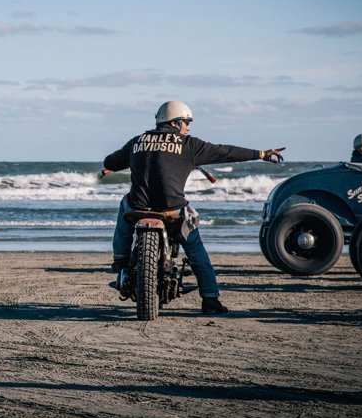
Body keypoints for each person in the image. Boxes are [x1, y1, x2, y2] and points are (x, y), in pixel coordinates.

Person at [103, 100, 284, 315]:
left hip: (139, 208)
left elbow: (110, 161)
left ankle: (120, 259)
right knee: (197, 251)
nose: (189, 127)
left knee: (125, 203)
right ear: (175, 123)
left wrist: (132, 159)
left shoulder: (137, 142)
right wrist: (261, 154)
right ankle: (210, 299)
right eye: (187, 122)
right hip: (172, 210)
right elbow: (224, 152)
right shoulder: (188, 145)